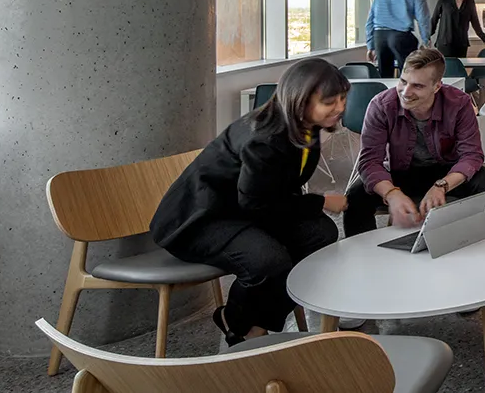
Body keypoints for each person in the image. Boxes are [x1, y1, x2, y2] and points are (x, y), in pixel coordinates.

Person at [149, 59, 349, 346]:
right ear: (300, 99)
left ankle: (246, 319)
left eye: (343, 98)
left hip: (241, 211)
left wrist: (312, 206)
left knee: (322, 234)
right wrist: (320, 202)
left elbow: (273, 195)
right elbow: (258, 204)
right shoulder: (264, 139)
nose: (340, 107)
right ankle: (243, 325)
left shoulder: (305, 125)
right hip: (199, 220)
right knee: (269, 261)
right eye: (330, 101)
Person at [345, 48, 485, 237]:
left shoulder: (459, 103)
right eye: (403, 81)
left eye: (417, 86)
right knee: (355, 196)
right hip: (398, 172)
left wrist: (442, 186)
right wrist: (391, 193)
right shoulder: (381, 105)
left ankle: (473, 240)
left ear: (436, 86)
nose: (406, 92)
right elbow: (369, 161)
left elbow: (471, 155)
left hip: (444, 171)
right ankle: (363, 254)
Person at [365, 0, 432, 78]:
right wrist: (425, 40)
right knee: (408, 73)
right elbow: (423, 18)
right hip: (400, 35)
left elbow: (370, 19)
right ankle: (404, 96)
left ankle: (387, 96)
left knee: (384, 75)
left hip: (380, 36)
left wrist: (370, 46)